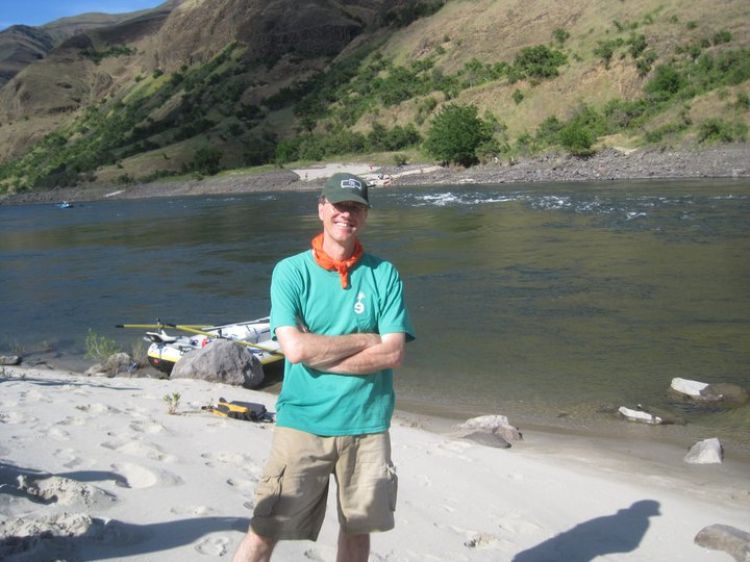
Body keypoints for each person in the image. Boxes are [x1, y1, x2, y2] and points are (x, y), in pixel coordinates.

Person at [233, 172, 415, 562]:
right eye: (338, 205)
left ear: (364, 215)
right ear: (321, 208)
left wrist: (320, 353)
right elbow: (295, 350)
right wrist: (366, 340)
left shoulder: (384, 274)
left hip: (367, 426)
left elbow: (393, 354)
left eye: (355, 207)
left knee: (357, 533)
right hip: (303, 423)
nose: (346, 214)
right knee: (265, 529)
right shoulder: (290, 272)